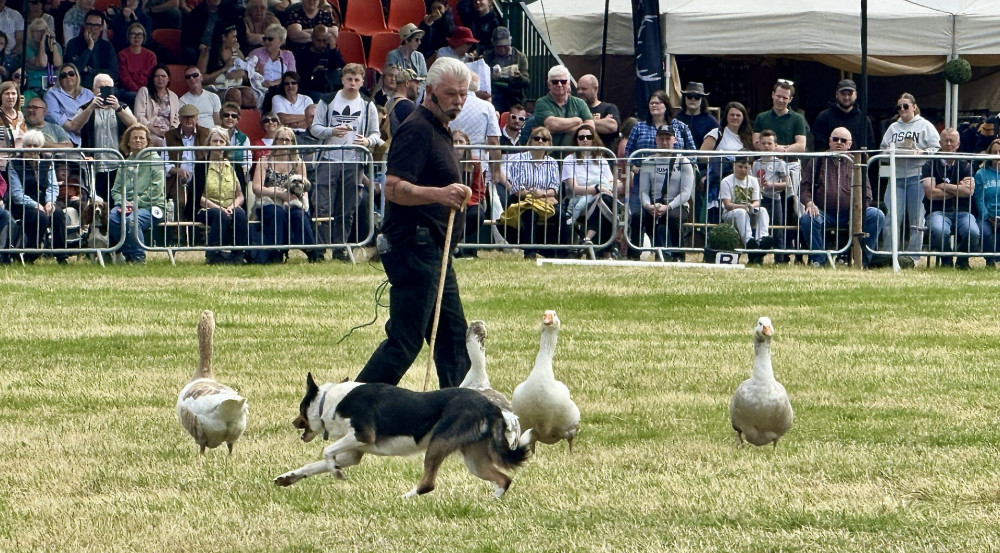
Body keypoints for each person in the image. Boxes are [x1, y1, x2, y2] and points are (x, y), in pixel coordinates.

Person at [355, 57, 473, 388]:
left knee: (452, 337)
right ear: (430, 91)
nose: (458, 101)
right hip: (414, 249)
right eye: (451, 94)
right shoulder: (417, 129)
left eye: (463, 95)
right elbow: (392, 189)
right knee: (405, 341)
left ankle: (460, 412)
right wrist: (441, 194)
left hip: (435, 250)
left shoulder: (441, 129)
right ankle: (351, 408)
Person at [309, 62, 382, 259]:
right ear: (342, 79)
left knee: (347, 207)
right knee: (323, 205)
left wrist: (367, 140)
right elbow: (315, 129)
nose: (352, 83)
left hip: (354, 160)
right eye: (349, 79)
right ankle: (320, 248)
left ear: (361, 82)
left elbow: (377, 134)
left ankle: (340, 248)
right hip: (329, 157)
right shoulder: (328, 101)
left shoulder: (368, 105)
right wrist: (331, 131)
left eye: (357, 80)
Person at [799, 127, 885, 268]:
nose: (839, 143)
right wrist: (809, 203)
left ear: (849, 144)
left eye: (843, 140)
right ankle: (818, 260)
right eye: (835, 139)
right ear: (829, 141)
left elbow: (867, 194)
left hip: (851, 213)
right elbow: (804, 187)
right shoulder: (817, 160)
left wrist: (858, 212)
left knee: (877, 215)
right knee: (807, 218)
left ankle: (865, 260)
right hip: (823, 212)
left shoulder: (856, 163)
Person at [880, 92, 940, 262]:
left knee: (916, 218)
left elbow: (936, 148)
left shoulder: (925, 126)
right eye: (899, 107)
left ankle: (913, 257)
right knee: (891, 216)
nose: (902, 109)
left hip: (917, 175)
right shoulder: (893, 128)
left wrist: (923, 152)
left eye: (905, 106)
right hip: (896, 176)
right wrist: (891, 152)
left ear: (914, 107)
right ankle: (889, 254)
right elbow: (882, 150)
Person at [251, 125, 321, 263]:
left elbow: (305, 187)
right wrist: (279, 193)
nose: (283, 143)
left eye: (287, 140)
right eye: (280, 139)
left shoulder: (298, 163)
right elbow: (256, 188)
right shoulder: (264, 161)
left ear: (293, 143)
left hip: (294, 201)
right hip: (268, 201)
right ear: (275, 141)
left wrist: (304, 204)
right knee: (278, 213)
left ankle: (311, 251)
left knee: (299, 215)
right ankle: (277, 251)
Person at [920, 127, 978, 269]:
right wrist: (958, 188)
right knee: (939, 230)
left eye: (952, 141)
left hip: (963, 211)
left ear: (958, 144)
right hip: (937, 211)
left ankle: (962, 262)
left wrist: (944, 186)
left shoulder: (966, 165)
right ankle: (946, 260)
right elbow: (931, 194)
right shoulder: (929, 164)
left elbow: (969, 191)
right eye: (945, 140)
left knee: (973, 232)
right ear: (940, 142)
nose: (949, 144)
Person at [501, 126, 562, 259]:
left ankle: (561, 253)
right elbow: (517, 190)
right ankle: (530, 253)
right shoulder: (520, 160)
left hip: (545, 200)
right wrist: (538, 195)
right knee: (530, 213)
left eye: (544, 139)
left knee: (562, 216)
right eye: (537, 138)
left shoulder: (552, 163)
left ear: (549, 144)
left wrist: (542, 194)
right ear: (530, 141)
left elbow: (554, 188)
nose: (540, 141)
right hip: (523, 201)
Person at [9, 130, 68, 264]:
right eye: (29, 145)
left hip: (44, 201)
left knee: (57, 214)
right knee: (40, 216)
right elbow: (17, 194)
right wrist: (35, 205)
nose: (32, 149)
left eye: (35, 146)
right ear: (23, 146)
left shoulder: (47, 162)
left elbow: (52, 186)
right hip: (23, 204)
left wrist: (50, 202)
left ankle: (61, 255)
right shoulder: (14, 164)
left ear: (40, 147)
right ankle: (31, 254)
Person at [193, 126, 249, 264]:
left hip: (229, 206)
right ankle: (213, 254)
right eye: (215, 141)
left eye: (221, 141)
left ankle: (238, 254)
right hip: (207, 208)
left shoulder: (234, 166)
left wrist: (231, 207)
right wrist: (219, 208)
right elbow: (197, 196)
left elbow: (241, 195)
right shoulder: (201, 166)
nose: (218, 145)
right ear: (209, 144)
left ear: (226, 145)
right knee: (220, 215)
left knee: (240, 215)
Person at [108, 123, 163, 264]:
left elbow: (156, 190)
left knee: (131, 220)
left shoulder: (155, 161)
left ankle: (138, 257)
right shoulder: (125, 163)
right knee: (113, 218)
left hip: (152, 206)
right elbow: (115, 190)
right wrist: (123, 201)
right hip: (126, 205)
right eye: (134, 138)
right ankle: (129, 254)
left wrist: (135, 203)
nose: (138, 140)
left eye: (141, 138)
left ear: (147, 141)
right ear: (128, 141)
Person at [636, 125, 693, 261]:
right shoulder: (648, 162)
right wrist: (647, 205)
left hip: (678, 205)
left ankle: (678, 255)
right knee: (636, 217)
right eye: (661, 139)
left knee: (673, 218)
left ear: (675, 139)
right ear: (656, 140)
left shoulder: (683, 162)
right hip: (654, 204)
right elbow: (643, 191)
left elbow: (686, 193)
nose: (665, 142)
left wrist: (668, 207)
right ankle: (634, 254)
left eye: (668, 138)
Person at [699, 101, 755, 224]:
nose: (735, 118)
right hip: (719, 182)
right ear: (726, 116)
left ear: (744, 118)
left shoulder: (748, 137)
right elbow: (701, 156)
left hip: (742, 183)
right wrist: (722, 160)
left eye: (738, 115)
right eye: (732, 115)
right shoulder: (716, 133)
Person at [562, 124, 615, 253]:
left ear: (593, 139)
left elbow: (611, 182)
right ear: (577, 140)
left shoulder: (601, 159)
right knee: (605, 204)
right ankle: (606, 251)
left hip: (602, 195)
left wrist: (606, 189)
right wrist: (596, 189)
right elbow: (575, 188)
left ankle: (587, 239)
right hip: (578, 198)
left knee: (604, 201)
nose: (585, 139)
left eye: (588, 136)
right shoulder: (569, 159)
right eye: (581, 137)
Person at [720, 156, 770, 263]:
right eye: (740, 167)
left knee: (763, 210)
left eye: (746, 167)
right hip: (731, 213)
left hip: (749, 210)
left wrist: (753, 206)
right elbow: (727, 204)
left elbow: (757, 201)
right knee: (741, 212)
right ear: (734, 166)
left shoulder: (753, 180)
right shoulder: (726, 181)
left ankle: (762, 239)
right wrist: (745, 207)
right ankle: (749, 241)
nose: (743, 170)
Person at [165, 103, 210, 219]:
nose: (189, 120)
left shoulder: (206, 133)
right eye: (186, 117)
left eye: (192, 117)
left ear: (197, 118)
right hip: (178, 179)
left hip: (201, 178)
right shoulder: (169, 136)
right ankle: (179, 236)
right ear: (179, 118)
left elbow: (211, 157)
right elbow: (164, 162)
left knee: (202, 202)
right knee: (180, 202)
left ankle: (199, 236)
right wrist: (177, 170)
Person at [753, 130, 790, 263]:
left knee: (777, 228)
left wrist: (772, 184)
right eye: (764, 143)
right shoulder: (756, 163)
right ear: (759, 144)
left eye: (770, 143)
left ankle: (779, 258)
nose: (767, 146)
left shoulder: (780, 163)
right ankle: (757, 256)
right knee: (759, 227)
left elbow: (786, 183)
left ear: (775, 145)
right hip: (760, 200)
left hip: (774, 199)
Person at [534, 65, 592, 150]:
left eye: (563, 81)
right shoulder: (541, 102)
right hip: (548, 156)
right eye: (555, 82)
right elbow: (552, 125)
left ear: (569, 84)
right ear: (548, 84)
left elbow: (590, 128)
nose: (559, 84)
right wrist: (577, 120)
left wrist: (561, 128)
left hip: (575, 156)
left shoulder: (580, 103)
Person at [202, 24, 259, 109]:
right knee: (235, 94)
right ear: (224, 37)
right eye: (233, 37)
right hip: (214, 88)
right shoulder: (208, 52)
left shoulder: (237, 52)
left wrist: (243, 74)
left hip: (234, 85)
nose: (236, 40)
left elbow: (248, 73)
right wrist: (224, 69)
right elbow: (201, 79)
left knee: (250, 95)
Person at [812, 79, 876, 152]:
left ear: (856, 95)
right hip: (829, 161)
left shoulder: (864, 120)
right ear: (836, 94)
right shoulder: (824, 117)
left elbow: (871, 147)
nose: (846, 97)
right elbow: (819, 146)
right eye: (843, 94)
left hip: (857, 162)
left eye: (850, 94)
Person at [64, 10, 119, 89]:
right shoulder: (73, 44)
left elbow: (114, 73)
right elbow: (74, 71)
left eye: (96, 25)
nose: (92, 29)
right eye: (89, 25)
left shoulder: (107, 46)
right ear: (84, 25)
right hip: (81, 87)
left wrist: (89, 70)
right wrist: (90, 47)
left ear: (101, 27)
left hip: (104, 86)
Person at [44, 63, 94, 146]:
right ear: (59, 79)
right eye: (64, 75)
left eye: (71, 74)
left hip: (88, 138)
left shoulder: (88, 93)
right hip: (65, 138)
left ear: (77, 76)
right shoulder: (52, 93)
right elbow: (52, 116)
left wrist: (83, 130)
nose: (68, 77)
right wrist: (73, 127)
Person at [179, 0, 241, 66]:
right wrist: (199, 45)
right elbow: (186, 39)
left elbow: (236, 32)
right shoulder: (196, 13)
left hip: (221, 47)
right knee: (189, 53)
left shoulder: (230, 10)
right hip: (203, 49)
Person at [752, 80, 807, 153]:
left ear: (790, 99)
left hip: (790, 162)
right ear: (773, 94)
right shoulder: (761, 117)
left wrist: (783, 151)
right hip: (766, 162)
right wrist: (774, 149)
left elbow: (801, 145)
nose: (781, 100)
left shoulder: (798, 119)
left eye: (785, 98)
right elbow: (756, 142)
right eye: (778, 96)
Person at [452, 129, 484, 254]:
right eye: (455, 141)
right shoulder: (443, 161)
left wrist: (466, 202)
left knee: (477, 214)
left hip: (469, 202)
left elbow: (479, 190)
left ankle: (457, 243)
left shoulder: (474, 163)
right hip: (448, 200)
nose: (459, 145)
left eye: (461, 141)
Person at [482, 26, 527, 113]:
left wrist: (518, 76)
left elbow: (526, 81)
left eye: (505, 46)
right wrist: (491, 77)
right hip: (495, 93)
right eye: (499, 47)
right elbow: (481, 79)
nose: (502, 49)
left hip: (514, 94)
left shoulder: (519, 56)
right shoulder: (487, 56)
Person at [133, 64, 179, 147]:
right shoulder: (144, 91)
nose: (160, 79)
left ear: (168, 79)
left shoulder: (174, 96)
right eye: (157, 76)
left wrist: (169, 132)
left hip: (168, 133)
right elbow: (139, 116)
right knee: (162, 145)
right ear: (153, 79)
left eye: (163, 76)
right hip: (149, 132)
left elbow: (176, 119)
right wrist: (155, 131)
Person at [296, 24, 343, 100]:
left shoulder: (331, 52)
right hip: (313, 89)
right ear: (312, 38)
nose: (321, 44)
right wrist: (312, 72)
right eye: (318, 40)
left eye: (324, 40)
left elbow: (341, 66)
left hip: (332, 87)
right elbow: (300, 79)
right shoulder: (304, 55)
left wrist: (333, 49)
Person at [576, 74, 620, 151]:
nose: (580, 92)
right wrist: (601, 122)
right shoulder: (575, 108)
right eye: (578, 88)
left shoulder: (609, 108)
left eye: (584, 89)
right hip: (580, 159)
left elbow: (612, 127)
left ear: (595, 89)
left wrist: (579, 122)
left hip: (604, 158)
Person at [974, 138, 1000, 267]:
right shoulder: (980, 174)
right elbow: (979, 198)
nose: (997, 156)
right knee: (985, 232)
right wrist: (987, 216)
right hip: (987, 216)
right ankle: (990, 261)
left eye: (999, 152)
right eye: (994, 152)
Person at [116, 22, 156, 104]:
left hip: (147, 90)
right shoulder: (122, 54)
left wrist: (146, 90)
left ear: (144, 37)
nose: (137, 37)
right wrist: (139, 91)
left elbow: (153, 76)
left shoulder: (151, 55)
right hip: (130, 90)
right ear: (128, 36)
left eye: (140, 34)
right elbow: (125, 78)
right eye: (133, 34)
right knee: (135, 97)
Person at [249, 24, 295, 93]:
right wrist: (257, 74)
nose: (266, 42)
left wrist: (273, 83)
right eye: (265, 39)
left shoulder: (288, 55)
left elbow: (292, 76)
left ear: (281, 41)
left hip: (281, 90)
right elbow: (248, 72)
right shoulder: (256, 53)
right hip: (259, 89)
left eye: (270, 39)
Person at [23, 18, 62, 97]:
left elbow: (58, 64)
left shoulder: (55, 46)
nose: (39, 34)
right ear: (31, 33)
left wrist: (53, 42)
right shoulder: (27, 48)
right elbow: (42, 63)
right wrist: (42, 43)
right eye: (36, 31)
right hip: (35, 86)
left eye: (42, 31)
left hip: (53, 86)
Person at [272, 71, 315, 136]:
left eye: (293, 83)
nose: (290, 86)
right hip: (285, 135)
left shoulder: (306, 99)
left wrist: (290, 125)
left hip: (305, 135)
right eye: (286, 83)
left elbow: (312, 120)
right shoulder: (277, 98)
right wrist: (306, 117)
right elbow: (282, 119)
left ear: (298, 84)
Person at [218, 101, 251, 175]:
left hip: (238, 174)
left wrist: (243, 172)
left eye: (234, 116)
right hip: (218, 172)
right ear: (221, 117)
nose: (230, 118)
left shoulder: (244, 138)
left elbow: (247, 160)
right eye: (226, 115)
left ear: (237, 120)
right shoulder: (214, 135)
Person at [386, 68, 421, 136]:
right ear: (407, 83)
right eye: (416, 83)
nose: (418, 87)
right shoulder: (407, 106)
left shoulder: (389, 102)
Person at [0, 81, 27, 171]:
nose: (10, 97)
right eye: (7, 93)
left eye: (13, 93)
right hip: (2, 165)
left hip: (17, 164)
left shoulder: (20, 115)